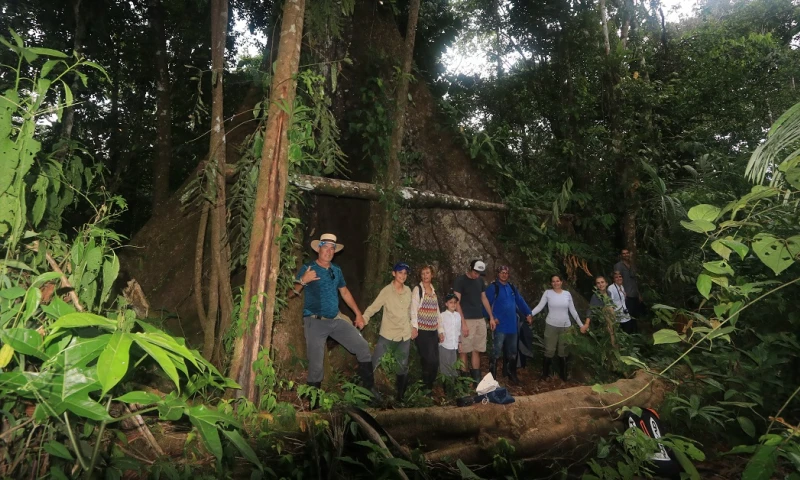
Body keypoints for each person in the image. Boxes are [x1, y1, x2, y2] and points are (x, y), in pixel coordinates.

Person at [293, 233, 380, 403]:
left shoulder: (336, 270)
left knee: (362, 346)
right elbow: (291, 293)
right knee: (317, 366)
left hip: (335, 320)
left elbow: (345, 292)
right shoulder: (309, 268)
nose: (329, 251)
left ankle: (369, 390)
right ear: (319, 249)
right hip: (315, 322)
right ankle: (314, 402)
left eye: (332, 248)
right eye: (325, 247)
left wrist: (358, 314)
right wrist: (303, 280)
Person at [362, 262, 413, 400]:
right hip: (388, 334)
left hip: (405, 334)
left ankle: (400, 397)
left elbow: (411, 311)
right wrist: (364, 318)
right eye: (400, 272)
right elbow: (374, 307)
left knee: (402, 366)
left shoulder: (408, 290)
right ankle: (366, 390)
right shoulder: (386, 291)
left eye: (405, 273)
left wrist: (414, 326)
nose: (403, 275)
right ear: (393, 273)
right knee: (375, 361)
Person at [529, 274, 585, 381]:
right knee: (549, 351)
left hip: (565, 327)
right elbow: (540, 306)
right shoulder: (548, 293)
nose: (556, 283)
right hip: (551, 326)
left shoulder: (567, 294)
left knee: (563, 352)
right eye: (553, 281)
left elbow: (573, 311)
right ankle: (544, 375)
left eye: (558, 281)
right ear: (551, 283)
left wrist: (581, 325)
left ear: (561, 282)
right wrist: (530, 314)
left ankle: (563, 376)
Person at [484, 265, 533, 385]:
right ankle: (492, 379)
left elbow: (520, 300)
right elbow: (484, 304)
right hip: (499, 326)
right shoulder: (493, 288)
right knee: (496, 351)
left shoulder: (512, 287)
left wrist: (528, 313)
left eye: (506, 273)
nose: (504, 274)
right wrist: (492, 318)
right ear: (498, 274)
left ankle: (512, 375)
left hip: (512, 326)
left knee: (512, 352)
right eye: (502, 272)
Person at [453, 260, 497, 383]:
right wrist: (463, 322)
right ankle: (464, 381)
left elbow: (484, 298)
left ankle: (476, 380)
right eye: (475, 272)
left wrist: (491, 317)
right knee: (464, 351)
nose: (477, 275)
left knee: (476, 349)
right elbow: (456, 302)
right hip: (466, 319)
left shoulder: (480, 281)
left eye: (479, 273)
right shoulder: (460, 281)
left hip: (479, 319)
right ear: (470, 268)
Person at [410, 265, 445, 390]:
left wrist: (440, 331)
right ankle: (426, 388)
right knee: (429, 360)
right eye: (423, 273)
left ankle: (427, 386)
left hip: (433, 332)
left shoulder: (433, 291)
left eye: (427, 273)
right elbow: (413, 310)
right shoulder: (418, 290)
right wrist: (414, 327)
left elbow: (437, 313)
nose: (425, 276)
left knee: (434, 361)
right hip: (422, 332)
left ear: (432, 275)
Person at [614, 248, 644, 319]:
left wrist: (638, 294)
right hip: (626, 295)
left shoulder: (632, 265)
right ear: (621, 255)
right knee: (628, 315)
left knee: (635, 315)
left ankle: (635, 330)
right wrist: (621, 292)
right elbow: (617, 280)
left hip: (634, 294)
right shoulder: (618, 266)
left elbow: (634, 281)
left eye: (627, 253)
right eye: (623, 253)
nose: (625, 255)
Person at [438, 292, 461, 380]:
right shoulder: (442, 315)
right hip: (445, 345)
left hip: (454, 345)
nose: (453, 304)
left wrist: (460, 342)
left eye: (455, 302)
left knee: (453, 365)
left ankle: (453, 385)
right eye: (451, 302)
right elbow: (439, 327)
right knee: (445, 366)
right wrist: (441, 335)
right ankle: (446, 387)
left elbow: (458, 330)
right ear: (446, 304)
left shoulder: (458, 315)